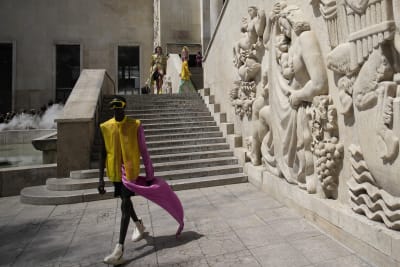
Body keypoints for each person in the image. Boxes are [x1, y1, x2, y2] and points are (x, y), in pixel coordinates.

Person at [98, 96, 154, 265]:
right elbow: (102, 153)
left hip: (129, 172)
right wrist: (100, 179)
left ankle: (119, 249)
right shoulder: (105, 127)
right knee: (126, 202)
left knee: (125, 204)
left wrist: (150, 174)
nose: (116, 109)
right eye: (113, 107)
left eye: (119, 106)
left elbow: (144, 150)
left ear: (124, 107)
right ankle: (139, 225)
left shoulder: (135, 125)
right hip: (115, 173)